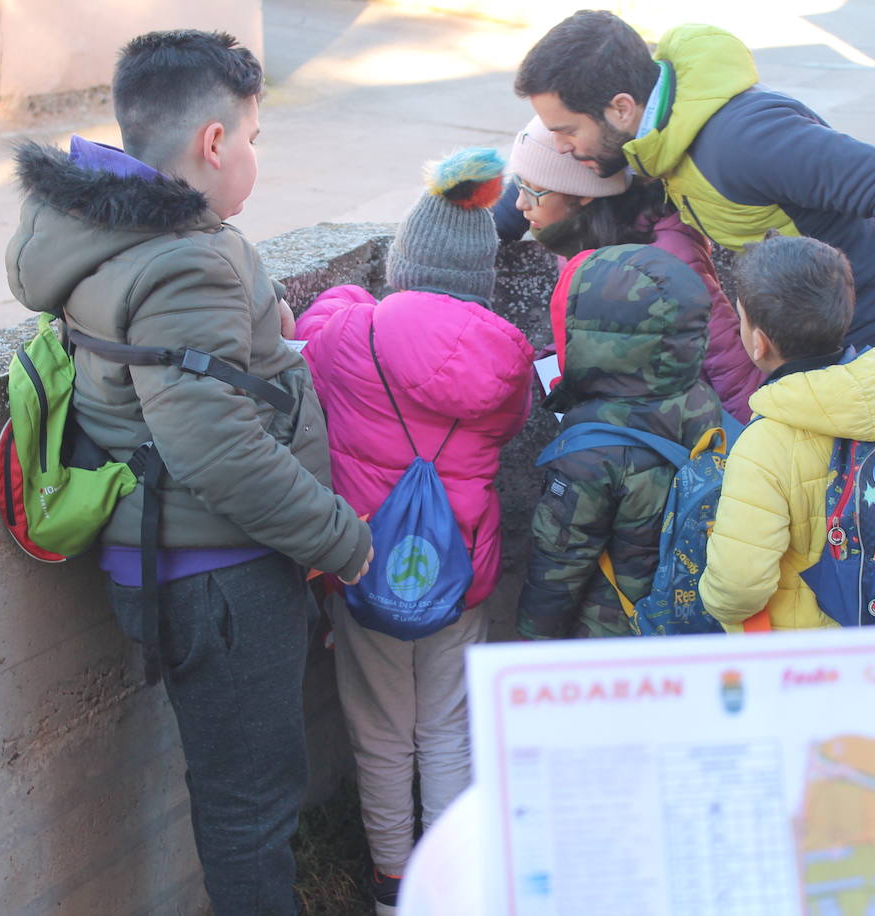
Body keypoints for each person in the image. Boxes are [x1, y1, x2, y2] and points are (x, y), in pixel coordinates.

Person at [4, 30, 372, 913]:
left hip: (169, 561)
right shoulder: (184, 260)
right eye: (252, 137)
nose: (253, 156)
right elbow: (216, 447)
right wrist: (343, 541)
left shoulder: (104, 230)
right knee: (253, 808)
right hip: (219, 577)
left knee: (237, 793)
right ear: (213, 143)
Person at [513, 11, 875, 415]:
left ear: (620, 108)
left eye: (567, 131)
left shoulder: (741, 140)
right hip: (823, 342)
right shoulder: (657, 138)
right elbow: (572, 172)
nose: (559, 146)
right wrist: (514, 211)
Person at [294, 148, 534, 915]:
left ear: (403, 262)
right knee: (449, 728)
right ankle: (454, 889)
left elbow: (312, 326)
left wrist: (356, 295)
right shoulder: (507, 360)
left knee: (379, 731)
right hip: (463, 570)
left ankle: (394, 884)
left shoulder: (351, 338)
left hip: (363, 563)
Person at [699, 236, 875, 631]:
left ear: (758, 343)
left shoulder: (764, 445)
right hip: (874, 624)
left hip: (797, 654)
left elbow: (739, 585)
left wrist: (710, 599)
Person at [517, 244, 722, 640]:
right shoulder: (700, 399)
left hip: (610, 636)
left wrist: (533, 645)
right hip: (684, 620)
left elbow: (560, 565)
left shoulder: (590, 451)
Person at [505, 116, 764, 421]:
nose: (520, 204)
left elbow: (728, 365)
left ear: (581, 192)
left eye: (534, 189)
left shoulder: (668, 255)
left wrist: (743, 449)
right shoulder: (578, 241)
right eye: (519, 185)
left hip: (681, 435)